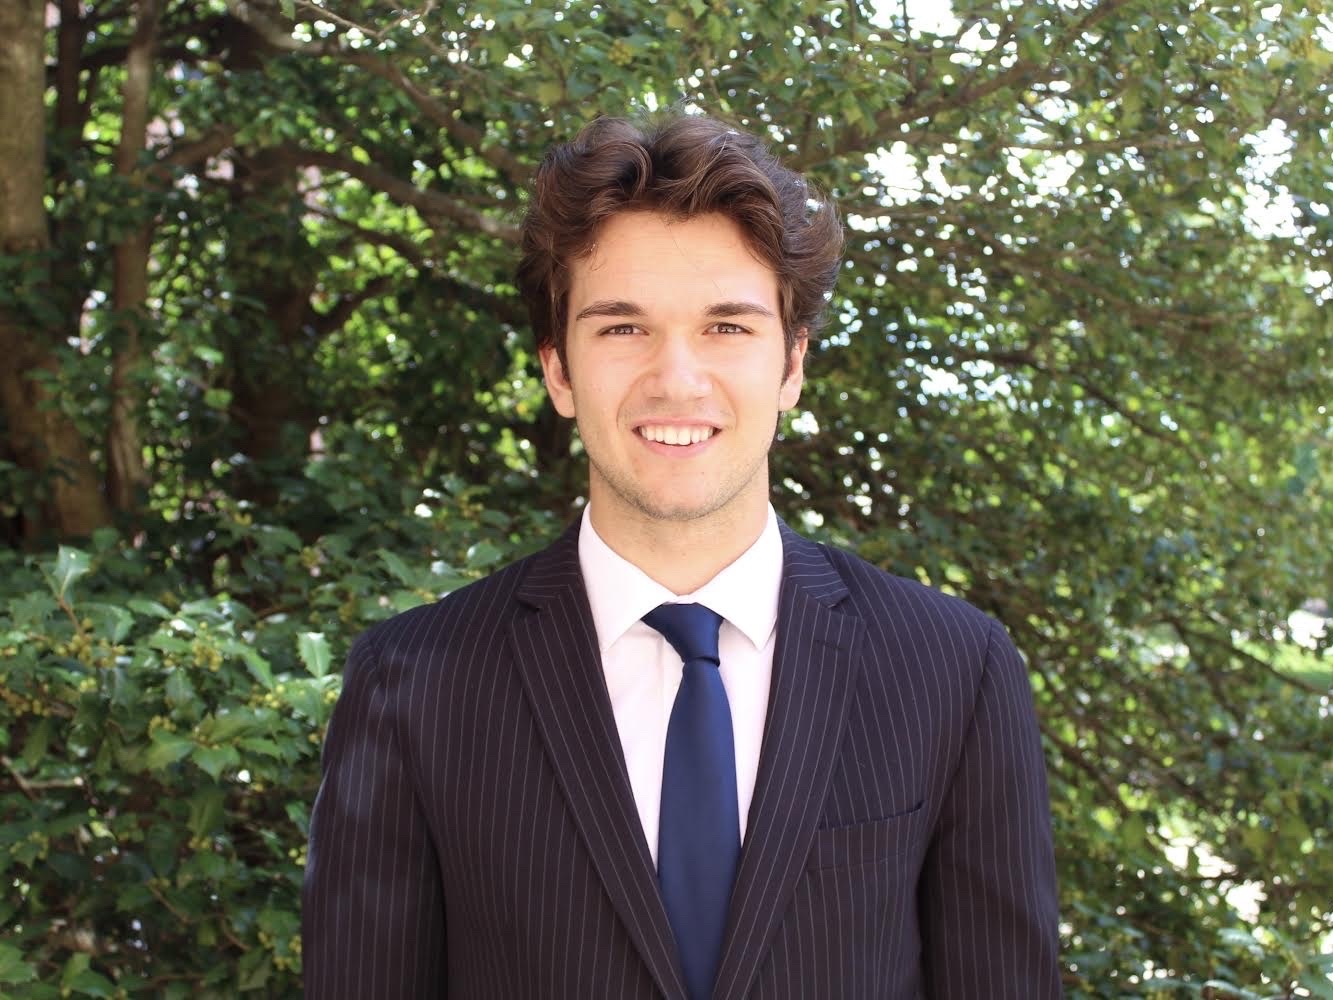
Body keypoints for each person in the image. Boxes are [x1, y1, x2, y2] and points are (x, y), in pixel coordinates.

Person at [302, 111, 1062, 999]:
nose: (677, 378)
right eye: (622, 328)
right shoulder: (411, 683)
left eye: (727, 328)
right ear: (557, 370)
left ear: (791, 367)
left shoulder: (952, 669)